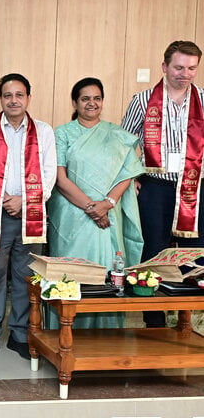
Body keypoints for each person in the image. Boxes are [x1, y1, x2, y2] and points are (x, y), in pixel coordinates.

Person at [0, 73, 56, 360]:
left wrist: (25, 200)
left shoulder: (43, 131)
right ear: (0, 99)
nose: (13, 100)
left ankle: (21, 334)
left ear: (29, 98)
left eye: (19, 95)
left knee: (26, 275)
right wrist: (4, 201)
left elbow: (48, 174)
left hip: (31, 212)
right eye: (8, 95)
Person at [49, 77, 144, 329]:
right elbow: (60, 178)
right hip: (71, 215)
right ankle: (65, 335)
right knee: (72, 275)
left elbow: (127, 174)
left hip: (109, 214)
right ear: (75, 102)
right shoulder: (62, 133)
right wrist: (92, 207)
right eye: (85, 99)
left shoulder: (117, 135)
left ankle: (106, 337)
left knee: (106, 273)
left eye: (97, 98)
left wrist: (108, 203)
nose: (92, 103)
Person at [122, 40, 204, 327]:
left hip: (195, 188)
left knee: (196, 252)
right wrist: (131, 178)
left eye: (192, 68)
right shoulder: (143, 101)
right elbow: (124, 144)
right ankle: (154, 320)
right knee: (154, 251)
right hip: (156, 187)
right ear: (164, 66)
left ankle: (190, 320)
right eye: (179, 67)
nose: (185, 73)